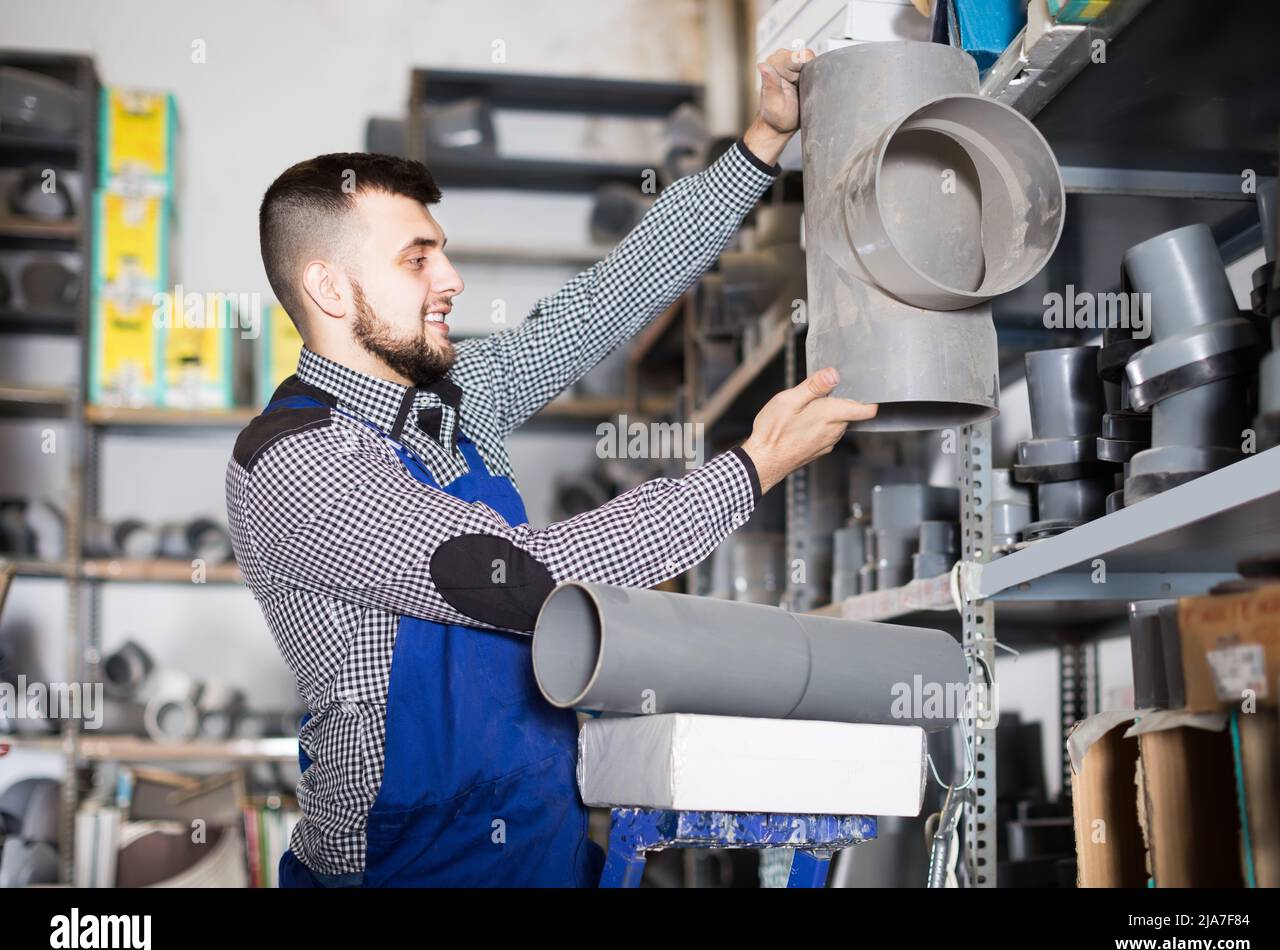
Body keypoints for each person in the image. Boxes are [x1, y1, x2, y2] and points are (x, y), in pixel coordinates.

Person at [226, 47, 876, 887]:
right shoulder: (296, 465)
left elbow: (608, 298)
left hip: (546, 853)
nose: (451, 279)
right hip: (407, 872)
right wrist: (750, 467)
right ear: (330, 288)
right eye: (417, 258)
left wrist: (761, 143)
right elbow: (523, 577)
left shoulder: (460, 401)